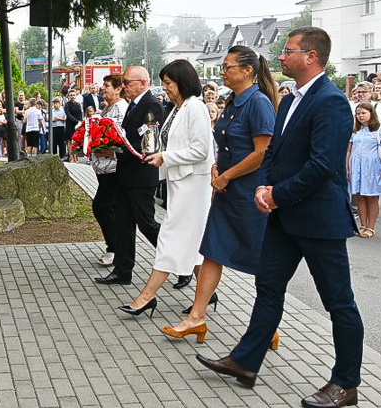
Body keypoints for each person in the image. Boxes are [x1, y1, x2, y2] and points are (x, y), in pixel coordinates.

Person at [196, 27, 364, 408]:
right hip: (284, 218)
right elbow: (273, 152)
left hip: (319, 221)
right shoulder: (289, 100)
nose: (281, 58)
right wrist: (263, 186)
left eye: (288, 52)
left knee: (338, 302)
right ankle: (245, 362)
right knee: (268, 287)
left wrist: (276, 194)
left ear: (312, 57)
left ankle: (345, 383)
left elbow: (323, 165)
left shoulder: (331, 101)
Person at [163, 46, 278, 341]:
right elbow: (226, 144)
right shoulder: (234, 101)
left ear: (248, 71)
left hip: (251, 194)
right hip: (226, 190)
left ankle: (269, 326)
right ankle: (196, 317)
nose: (222, 72)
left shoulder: (259, 103)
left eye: (227, 67)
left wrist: (227, 175)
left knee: (261, 260)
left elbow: (262, 152)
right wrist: (218, 167)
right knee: (212, 251)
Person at [118, 60, 213, 317]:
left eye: (169, 83)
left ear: (182, 82)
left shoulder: (195, 108)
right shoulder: (177, 109)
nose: (166, 88)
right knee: (192, 245)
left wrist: (166, 157)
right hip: (180, 184)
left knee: (170, 238)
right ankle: (206, 294)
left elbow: (202, 150)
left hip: (193, 185)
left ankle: (146, 297)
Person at [95, 66, 164, 285]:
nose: (123, 87)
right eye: (122, 83)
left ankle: (181, 261)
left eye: (127, 83)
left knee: (147, 224)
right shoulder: (134, 105)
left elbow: (148, 144)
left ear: (143, 83)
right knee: (124, 224)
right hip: (125, 174)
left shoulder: (151, 105)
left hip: (141, 176)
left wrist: (114, 149)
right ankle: (123, 270)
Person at [87, 74, 127, 267]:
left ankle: (115, 248)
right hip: (103, 168)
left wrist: (107, 148)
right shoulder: (107, 108)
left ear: (118, 89)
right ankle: (116, 247)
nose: (103, 88)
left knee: (102, 206)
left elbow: (121, 137)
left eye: (107, 85)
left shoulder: (120, 108)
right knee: (108, 207)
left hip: (113, 167)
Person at [347, 103, 381, 238]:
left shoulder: (380, 130)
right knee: (360, 196)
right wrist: (346, 168)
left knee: (372, 197)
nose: (360, 116)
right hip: (357, 166)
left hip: (373, 167)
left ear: (371, 114)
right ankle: (362, 225)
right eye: (358, 114)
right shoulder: (355, 131)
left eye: (363, 113)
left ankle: (371, 227)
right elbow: (348, 150)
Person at [64, 90, 83, 159]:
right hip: (70, 124)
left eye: (74, 95)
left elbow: (80, 114)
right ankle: (71, 156)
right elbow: (68, 115)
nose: (73, 96)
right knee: (70, 141)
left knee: (76, 141)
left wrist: (80, 122)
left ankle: (75, 156)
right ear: (69, 96)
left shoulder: (78, 104)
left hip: (77, 125)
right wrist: (76, 121)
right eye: (71, 95)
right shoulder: (67, 104)